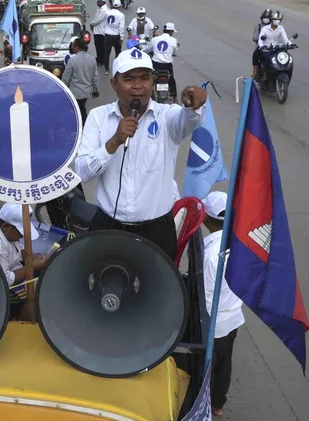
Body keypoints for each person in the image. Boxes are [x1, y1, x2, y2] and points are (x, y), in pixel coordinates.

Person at [75, 48, 207, 260]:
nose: (138, 86)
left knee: (157, 290)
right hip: (109, 226)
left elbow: (189, 120)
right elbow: (83, 171)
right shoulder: (98, 118)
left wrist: (194, 105)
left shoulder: (167, 116)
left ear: (153, 82)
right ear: (113, 84)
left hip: (156, 231)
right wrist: (113, 142)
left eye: (145, 78)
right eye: (129, 79)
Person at [201, 191, 245, 417]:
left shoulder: (210, 254)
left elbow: (207, 293)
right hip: (234, 316)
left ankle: (199, 406)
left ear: (205, 219)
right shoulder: (241, 245)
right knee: (224, 364)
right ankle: (218, 404)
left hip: (213, 321)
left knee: (205, 365)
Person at [0, 204, 48, 288]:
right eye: (20, 232)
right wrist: (31, 267)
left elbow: (20, 248)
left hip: (19, 266)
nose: (22, 236)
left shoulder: (8, 233)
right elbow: (5, 280)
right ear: (6, 226)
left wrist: (33, 257)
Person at [61, 34, 99, 124]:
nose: (72, 47)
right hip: (86, 93)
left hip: (75, 93)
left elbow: (66, 78)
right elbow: (95, 77)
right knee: (81, 108)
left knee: (76, 110)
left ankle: (78, 126)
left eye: (73, 45)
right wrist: (95, 90)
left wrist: (62, 90)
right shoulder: (92, 59)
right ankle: (84, 125)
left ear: (77, 47)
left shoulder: (72, 60)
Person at [254, 10, 290, 79]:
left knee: (284, 57)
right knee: (265, 59)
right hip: (265, 48)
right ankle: (263, 74)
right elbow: (260, 40)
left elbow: (286, 40)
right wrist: (262, 46)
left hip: (275, 48)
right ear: (272, 19)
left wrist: (290, 44)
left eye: (278, 19)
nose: (277, 21)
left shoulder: (281, 28)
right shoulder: (264, 28)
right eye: (275, 19)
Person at [150, 22, 179, 98]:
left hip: (156, 64)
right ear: (171, 31)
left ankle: (149, 93)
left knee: (150, 78)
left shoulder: (154, 39)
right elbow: (175, 52)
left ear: (164, 30)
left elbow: (148, 48)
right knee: (171, 80)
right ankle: (174, 98)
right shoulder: (174, 40)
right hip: (167, 65)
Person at [102, 0, 125, 75]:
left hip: (107, 35)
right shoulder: (121, 15)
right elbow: (121, 27)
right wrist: (121, 38)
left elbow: (104, 23)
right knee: (118, 52)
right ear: (119, 6)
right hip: (116, 36)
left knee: (106, 53)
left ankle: (106, 69)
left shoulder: (107, 13)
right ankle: (116, 68)